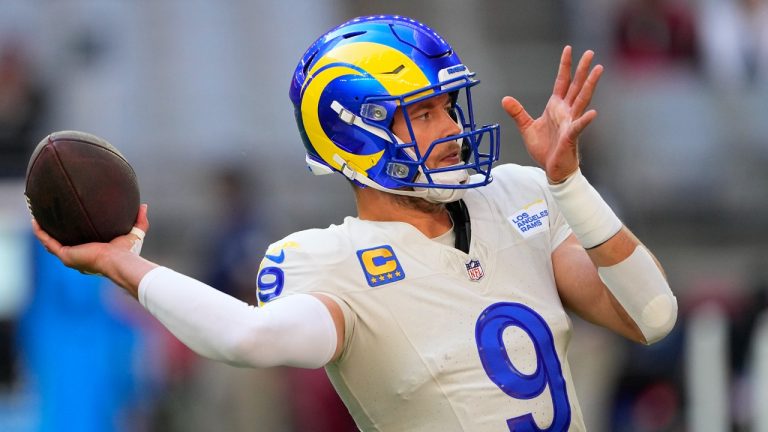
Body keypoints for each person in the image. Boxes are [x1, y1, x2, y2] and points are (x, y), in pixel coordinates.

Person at [32, 15, 678, 431]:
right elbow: (250, 341)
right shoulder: (330, 260)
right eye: (424, 113)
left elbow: (650, 315)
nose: (453, 130)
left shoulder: (520, 194)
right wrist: (124, 264)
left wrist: (569, 185)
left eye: (449, 107)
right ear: (355, 134)